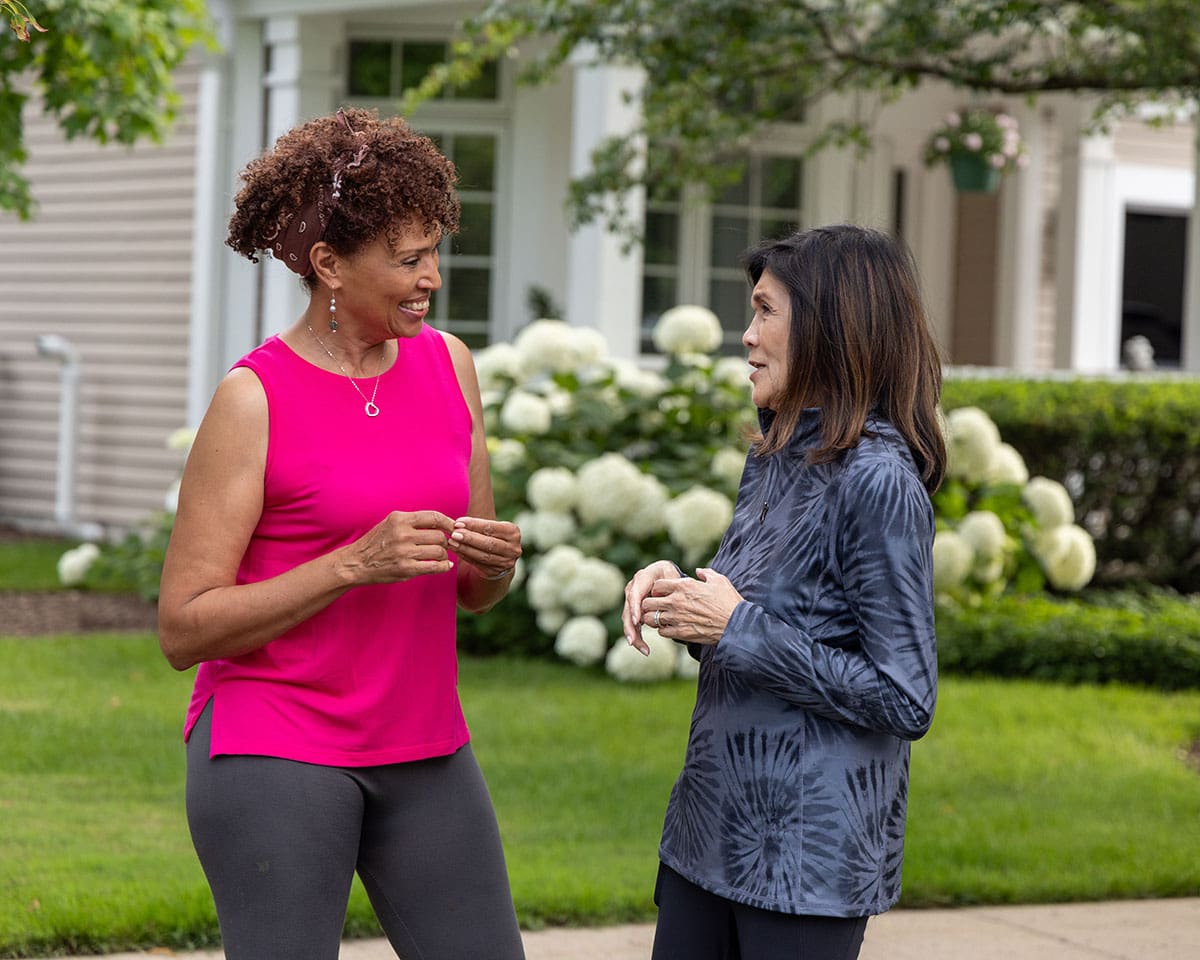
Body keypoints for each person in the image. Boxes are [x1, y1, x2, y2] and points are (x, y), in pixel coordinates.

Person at [157, 107, 526, 960]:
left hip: (426, 740)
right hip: (272, 738)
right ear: (327, 264)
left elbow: (475, 592)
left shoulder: (450, 367)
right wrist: (351, 564)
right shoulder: (255, 399)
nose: (431, 275)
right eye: (407, 259)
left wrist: (496, 563)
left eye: (434, 250)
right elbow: (183, 628)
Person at [622, 224, 946, 960]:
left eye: (766, 312)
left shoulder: (879, 481)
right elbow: (759, 612)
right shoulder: (774, 453)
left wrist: (735, 626)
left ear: (830, 329)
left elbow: (906, 695)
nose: (746, 335)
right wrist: (680, 597)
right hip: (706, 836)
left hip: (806, 868)